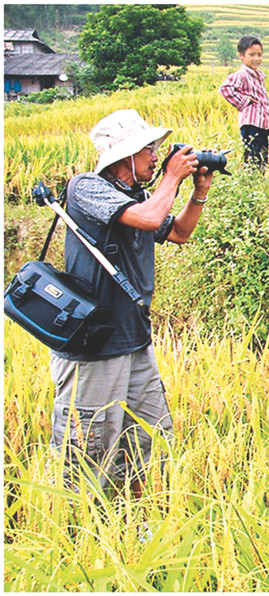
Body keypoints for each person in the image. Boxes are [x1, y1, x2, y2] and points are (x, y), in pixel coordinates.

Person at [49, 109, 216, 493]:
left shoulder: (138, 196)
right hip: (94, 346)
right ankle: (84, 534)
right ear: (125, 154)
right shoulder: (85, 187)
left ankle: (141, 526)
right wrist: (172, 176)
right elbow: (145, 218)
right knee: (90, 452)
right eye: (150, 149)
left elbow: (178, 232)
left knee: (151, 442)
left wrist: (198, 192)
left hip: (134, 340)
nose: (157, 157)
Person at [218, 36, 269, 170]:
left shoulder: (258, 76)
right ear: (241, 56)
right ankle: (252, 183)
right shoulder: (242, 75)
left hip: (261, 124)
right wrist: (244, 101)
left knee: (262, 157)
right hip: (251, 124)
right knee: (254, 157)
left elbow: (257, 101)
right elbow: (225, 89)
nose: (256, 58)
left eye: (259, 55)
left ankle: (256, 183)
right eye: (251, 55)